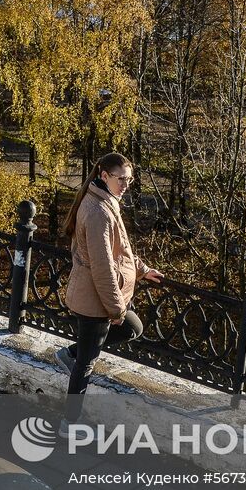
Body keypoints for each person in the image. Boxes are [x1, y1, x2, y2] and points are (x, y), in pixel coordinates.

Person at [54, 152, 162, 435]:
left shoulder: (107, 202)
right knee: (86, 364)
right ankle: (70, 423)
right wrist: (116, 309)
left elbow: (121, 250)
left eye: (129, 179)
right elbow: (102, 266)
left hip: (99, 296)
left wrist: (142, 269)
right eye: (121, 179)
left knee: (132, 328)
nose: (126, 184)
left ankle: (70, 354)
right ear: (104, 175)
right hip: (95, 300)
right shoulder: (99, 211)